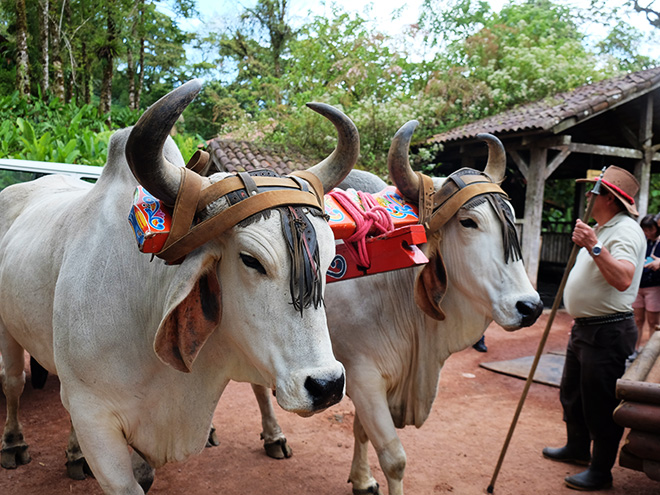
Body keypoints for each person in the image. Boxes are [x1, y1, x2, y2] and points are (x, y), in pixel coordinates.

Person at [542, 165, 646, 491]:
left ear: (611, 199)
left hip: (608, 332)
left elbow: (624, 278)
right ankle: (577, 447)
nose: (588, 196)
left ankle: (601, 470)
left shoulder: (625, 230)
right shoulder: (603, 226)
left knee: (600, 403)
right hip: (586, 328)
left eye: (594, 191)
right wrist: (593, 239)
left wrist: (593, 245)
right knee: (572, 394)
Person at [631, 213, 660, 358]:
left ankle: (650, 353)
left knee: (653, 321)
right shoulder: (641, 241)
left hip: (653, 287)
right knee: (637, 319)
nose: (647, 233)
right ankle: (634, 349)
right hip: (638, 286)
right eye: (645, 229)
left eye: (650, 229)